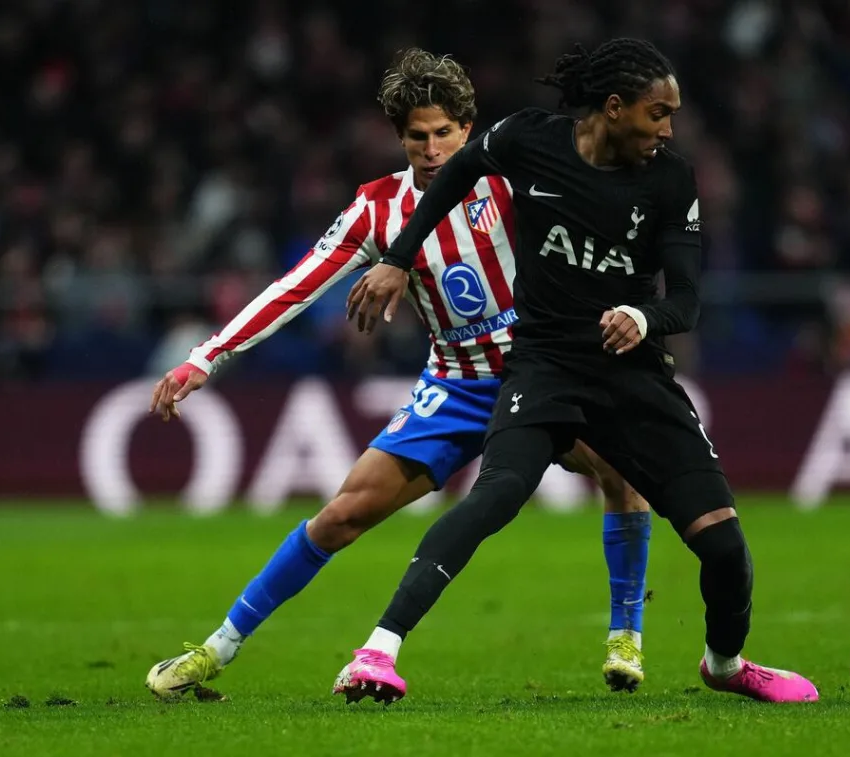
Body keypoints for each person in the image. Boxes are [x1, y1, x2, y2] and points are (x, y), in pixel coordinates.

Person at [143, 49, 654, 700]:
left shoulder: (510, 177)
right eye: (418, 136)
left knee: (623, 473)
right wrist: (205, 357)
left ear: (468, 129)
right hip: (455, 385)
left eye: (444, 133)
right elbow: (294, 287)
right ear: (400, 137)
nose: (433, 150)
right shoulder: (377, 209)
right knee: (341, 516)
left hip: (542, 369)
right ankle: (217, 648)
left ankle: (625, 636)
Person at [339, 38, 818, 704]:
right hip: (544, 366)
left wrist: (644, 316)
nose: (668, 130)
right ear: (615, 108)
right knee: (494, 496)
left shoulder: (670, 180)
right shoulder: (529, 139)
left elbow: (686, 299)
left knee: (724, 546)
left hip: (631, 374)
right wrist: (398, 256)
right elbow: (457, 174)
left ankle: (726, 665)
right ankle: (377, 652)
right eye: (658, 114)